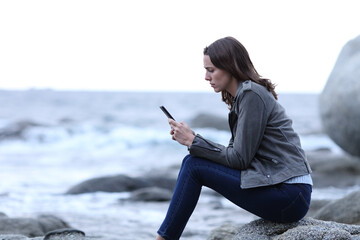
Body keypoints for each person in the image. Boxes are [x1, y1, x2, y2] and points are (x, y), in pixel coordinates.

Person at [155, 37, 312, 240]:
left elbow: (239, 159)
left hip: (289, 194)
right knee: (192, 162)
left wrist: (194, 142)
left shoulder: (251, 94)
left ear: (230, 66)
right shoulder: (244, 98)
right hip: (283, 190)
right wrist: (194, 139)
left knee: (194, 166)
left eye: (211, 70)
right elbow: (235, 155)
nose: (206, 76)